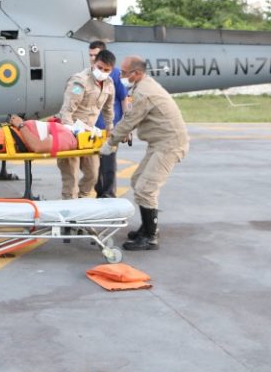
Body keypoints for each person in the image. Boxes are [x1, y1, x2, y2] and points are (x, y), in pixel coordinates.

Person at [101, 55, 189, 251]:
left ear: (137, 73)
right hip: (159, 143)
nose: (120, 75)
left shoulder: (144, 93)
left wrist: (111, 142)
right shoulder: (142, 86)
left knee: (146, 188)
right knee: (137, 180)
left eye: (123, 73)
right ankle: (147, 227)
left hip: (169, 145)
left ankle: (150, 237)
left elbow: (130, 120)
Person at [56, 48, 115, 199]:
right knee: (71, 179)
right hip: (70, 134)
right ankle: (70, 214)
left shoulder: (109, 84)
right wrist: (70, 134)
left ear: (111, 69)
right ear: (94, 63)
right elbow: (66, 111)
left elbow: (108, 110)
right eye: (99, 67)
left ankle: (81, 202)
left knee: (93, 175)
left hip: (89, 136)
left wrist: (110, 130)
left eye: (106, 69)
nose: (101, 71)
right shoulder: (79, 81)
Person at [89, 41, 128, 198]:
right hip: (91, 129)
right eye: (90, 55)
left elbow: (124, 98)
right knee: (92, 166)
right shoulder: (86, 75)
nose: (92, 58)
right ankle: (99, 191)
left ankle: (109, 194)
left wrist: (126, 125)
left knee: (108, 163)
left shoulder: (114, 74)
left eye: (95, 55)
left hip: (109, 128)